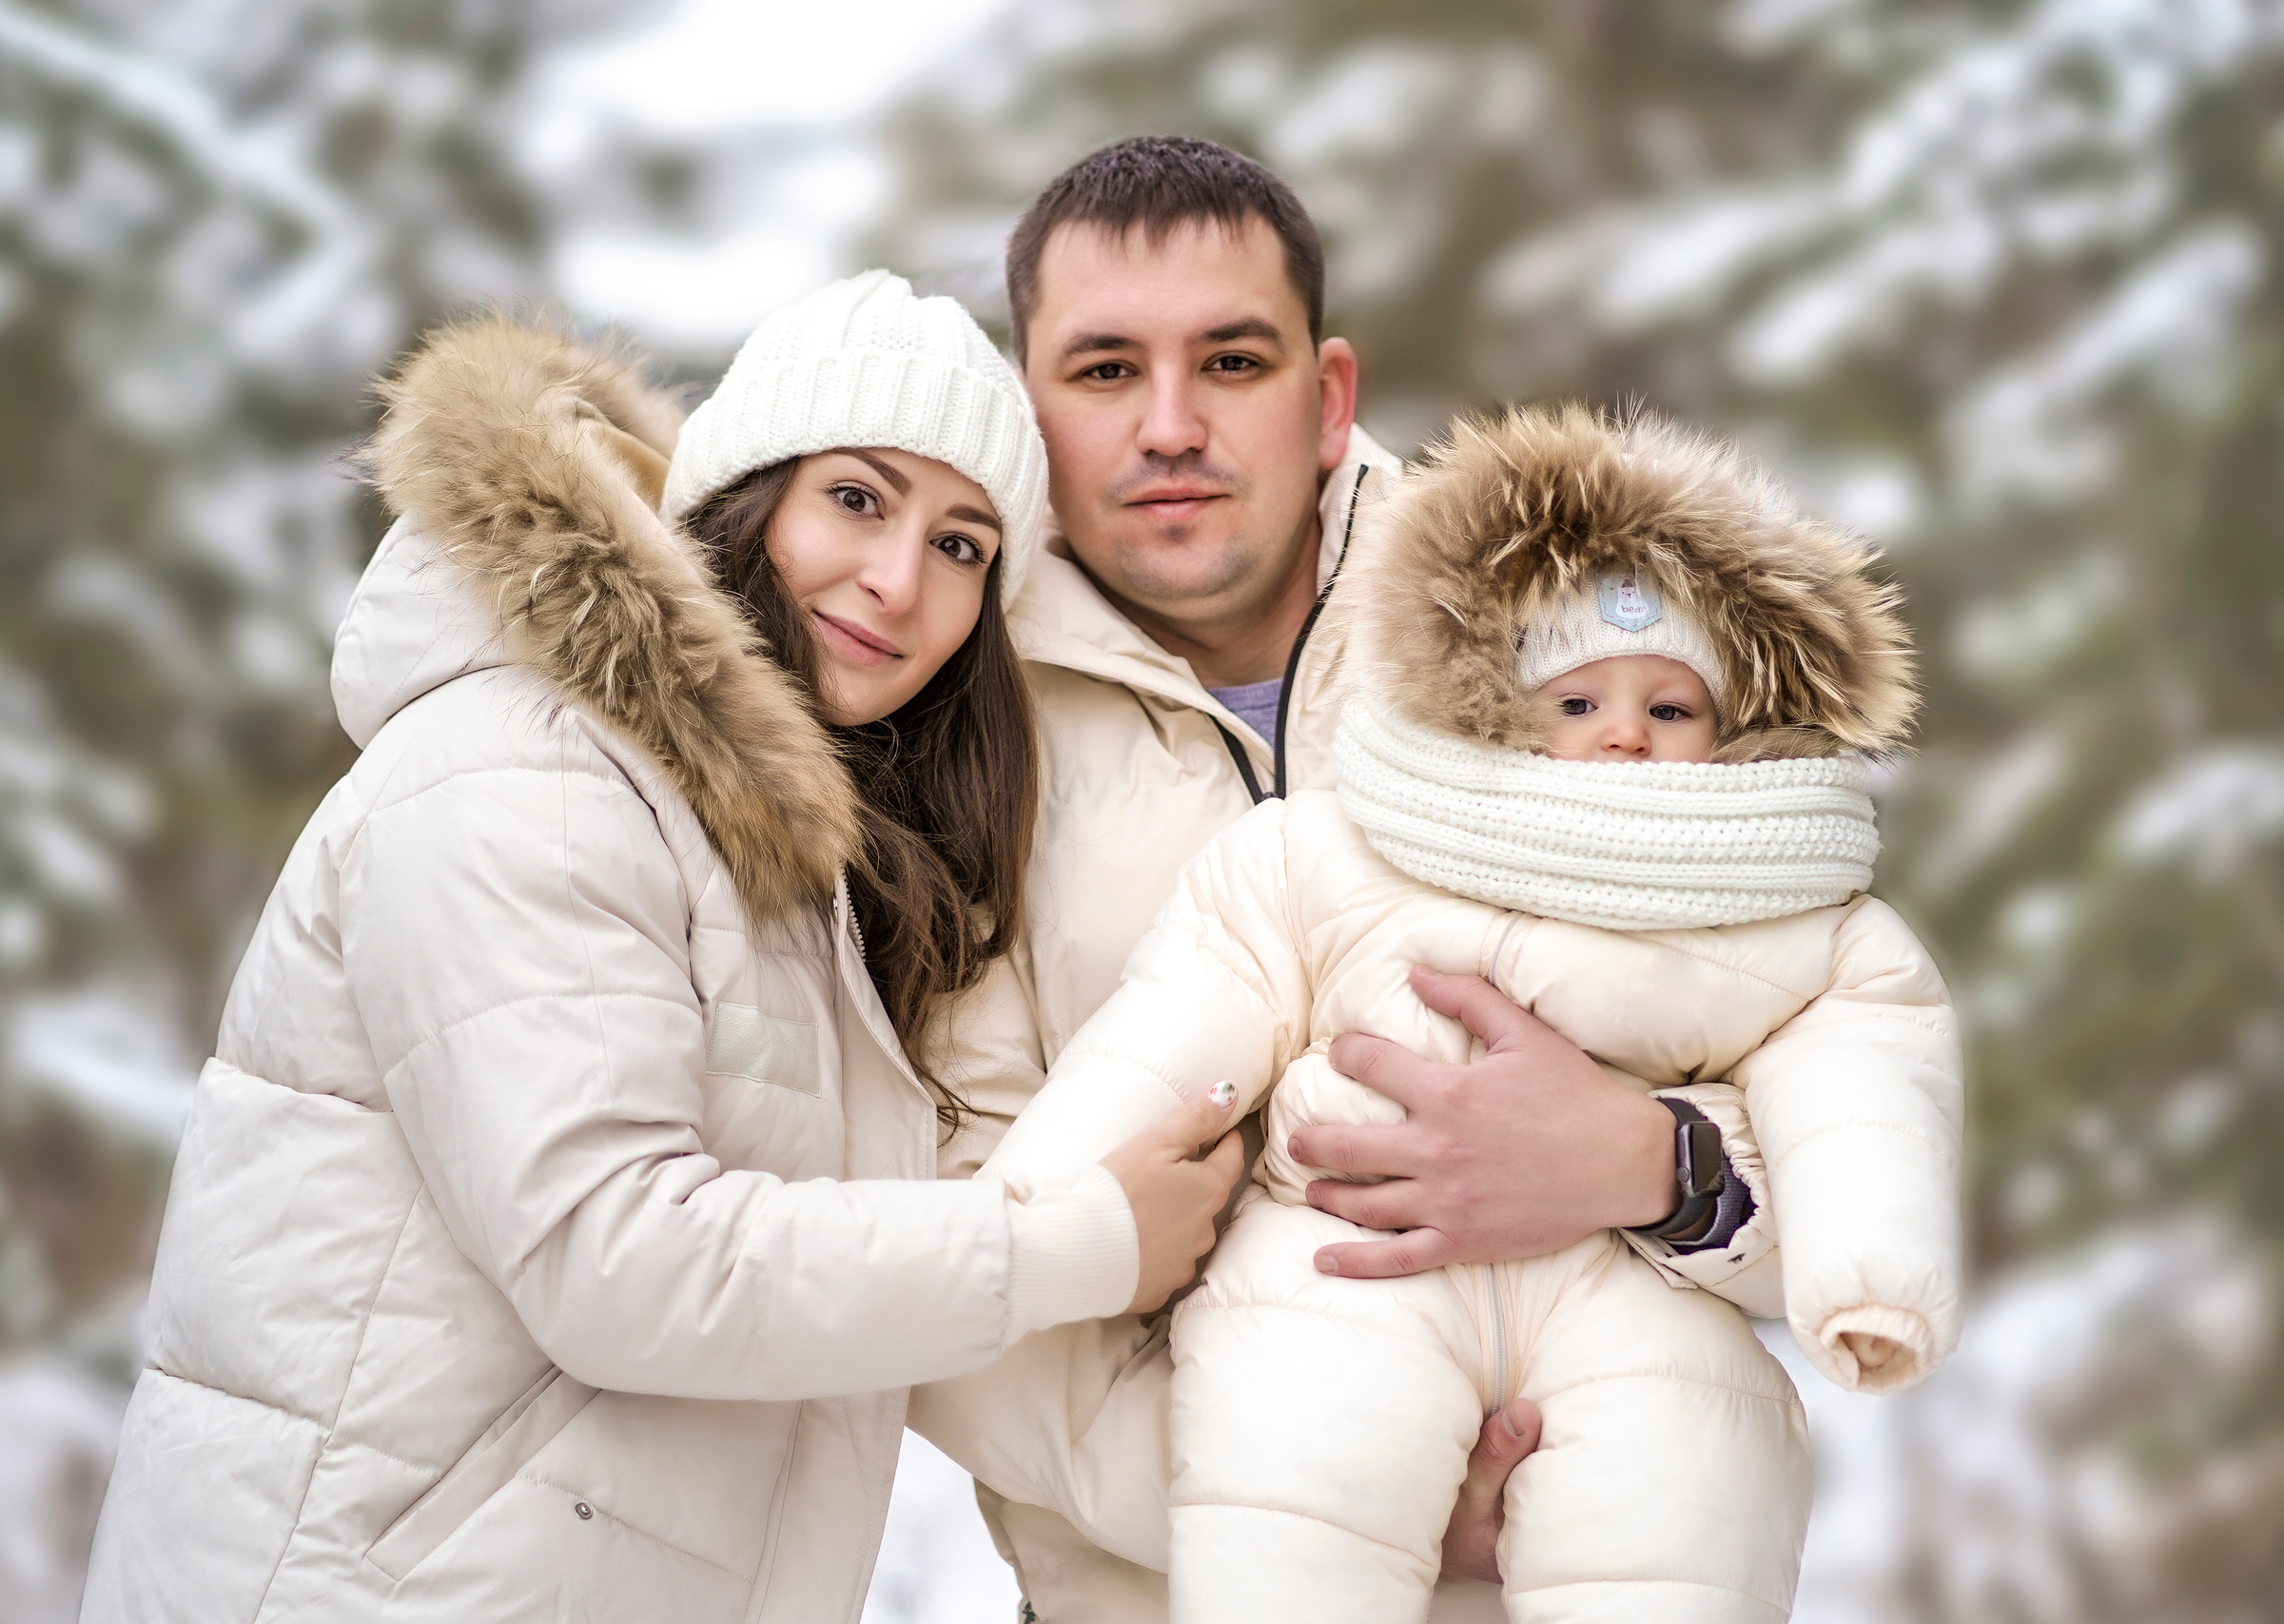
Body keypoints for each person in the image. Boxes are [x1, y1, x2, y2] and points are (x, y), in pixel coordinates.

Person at [75, 271, 1241, 1623]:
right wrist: (1073, 1246)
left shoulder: (782, 867)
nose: (898, 581)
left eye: (963, 546)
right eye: (856, 499)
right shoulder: (530, 765)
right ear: (748, 495)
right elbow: (615, 1257)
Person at [908, 137, 1788, 1621]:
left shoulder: (1572, 641)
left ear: (1325, 397)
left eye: (1231, 362)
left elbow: (1842, 1072)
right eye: (1107, 370)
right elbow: (942, 1257)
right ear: (1026, 402)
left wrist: (1660, 1161)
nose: (1171, 426)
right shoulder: (939, 716)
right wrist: (1342, 1501)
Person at [983, 403, 1965, 1622]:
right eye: (1576, 704)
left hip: (1639, 1305)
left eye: (1669, 710)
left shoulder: (1789, 909)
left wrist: (1869, 1272)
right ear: (1496, 706)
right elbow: (1180, 1018)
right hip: (1347, 1262)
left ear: (1735, 735)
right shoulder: (1332, 849)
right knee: (1294, 1471)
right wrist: (1037, 1199)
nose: (1623, 736)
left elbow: (1863, 1093)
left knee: (1675, 1505)